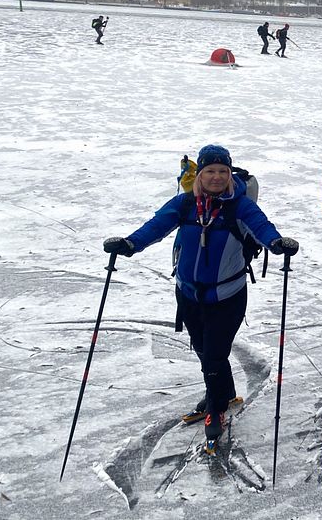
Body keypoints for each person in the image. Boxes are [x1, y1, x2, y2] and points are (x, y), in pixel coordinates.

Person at [102, 145, 299, 444]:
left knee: (215, 354)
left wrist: (276, 243)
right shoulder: (185, 204)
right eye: (210, 171)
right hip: (189, 294)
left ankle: (216, 407)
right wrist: (130, 244)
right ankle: (225, 391)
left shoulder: (240, 206)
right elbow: (157, 225)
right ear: (201, 174)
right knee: (204, 350)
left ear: (230, 174)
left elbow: (262, 227)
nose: (216, 177)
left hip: (228, 296)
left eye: (222, 171)